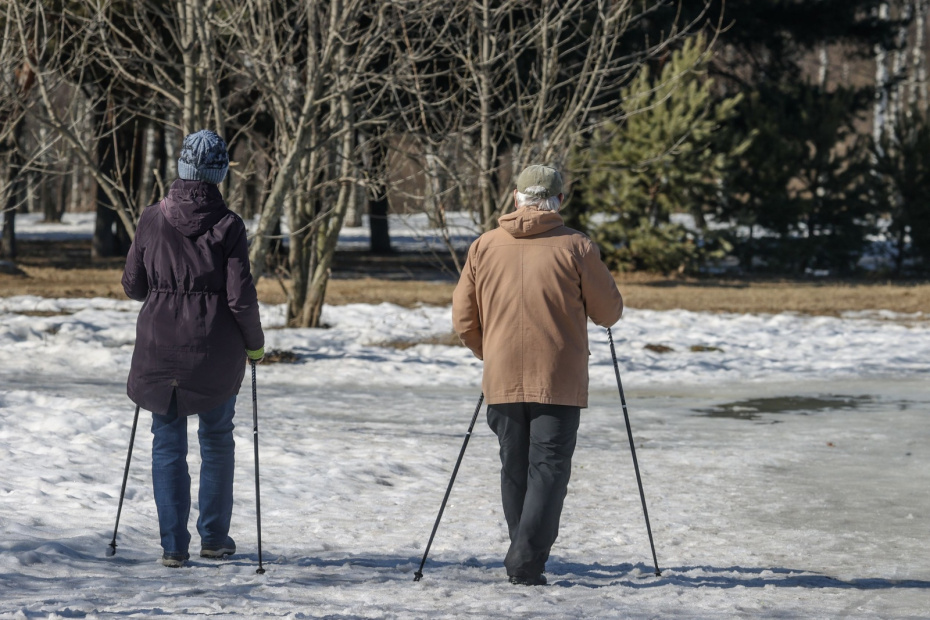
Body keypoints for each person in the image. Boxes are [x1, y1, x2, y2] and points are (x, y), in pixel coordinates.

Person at [452, 164, 623, 586]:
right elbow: (608, 312)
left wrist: (487, 351)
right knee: (547, 469)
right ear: (559, 201)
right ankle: (525, 562)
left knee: (515, 467)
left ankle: (523, 553)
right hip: (558, 381)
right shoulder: (577, 247)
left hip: (502, 378)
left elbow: (462, 318)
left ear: (516, 198)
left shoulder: (483, 246)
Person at [122, 129, 265, 568]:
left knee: (167, 443)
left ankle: (173, 547)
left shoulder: (151, 217)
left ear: (182, 167)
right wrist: (255, 346)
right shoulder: (229, 225)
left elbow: (133, 285)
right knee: (218, 439)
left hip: (159, 348)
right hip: (215, 350)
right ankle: (215, 538)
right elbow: (240, 297)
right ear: (219, 173)